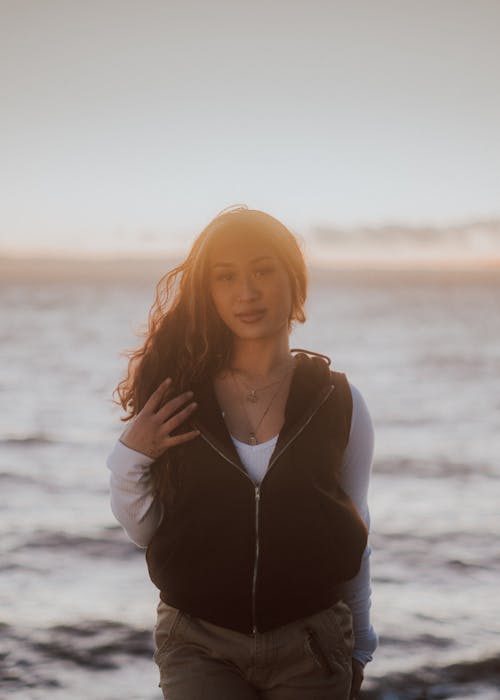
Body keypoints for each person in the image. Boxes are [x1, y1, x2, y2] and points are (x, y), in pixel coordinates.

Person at [106, 205, 377, 699]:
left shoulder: (337, 401)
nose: (246, 293)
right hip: (198, 643)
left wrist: (361, 644)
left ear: (292, 278)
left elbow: (354, 526)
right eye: (225, 277)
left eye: (262, 271)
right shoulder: (179, 398)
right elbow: (145, 529)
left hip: (312, 642)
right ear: (208, 293)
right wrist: (130, 455)